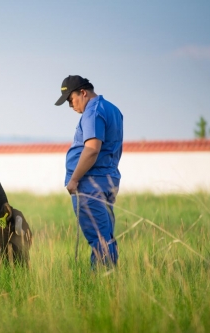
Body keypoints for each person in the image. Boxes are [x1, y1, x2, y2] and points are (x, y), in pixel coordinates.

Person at [55, 75, 123, 266]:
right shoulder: (112, 109)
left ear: (83, 93)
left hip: (89, 184)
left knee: (99, 239)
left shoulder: (92, 112)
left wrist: (75, 179)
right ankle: (108, 283)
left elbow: (92, 149)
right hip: (106, 181)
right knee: (105, 236)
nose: (71, 106)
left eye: (71, 100)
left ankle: (102, 284)